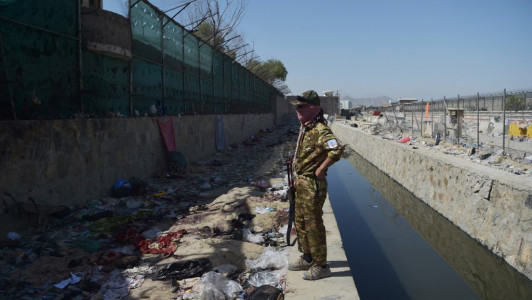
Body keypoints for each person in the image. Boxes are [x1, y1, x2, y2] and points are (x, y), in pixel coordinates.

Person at [288, 90, 344, 280]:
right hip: (301, 183)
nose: (299, 110)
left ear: (313, 108)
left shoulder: (321, 130)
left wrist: (321, 169)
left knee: (313, 225)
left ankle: (321, 265)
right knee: (301, 223)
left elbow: (337, 150)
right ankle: (308, 256)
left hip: (313, 185)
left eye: (302, 107)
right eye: (298, 107)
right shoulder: (306, 128)